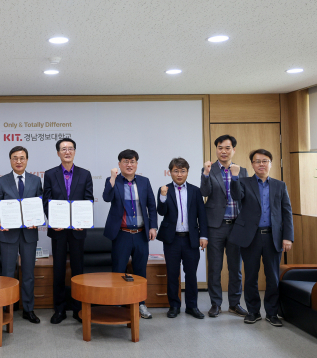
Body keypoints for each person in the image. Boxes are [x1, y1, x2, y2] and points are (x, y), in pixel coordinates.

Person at [229, 149, 294, 326]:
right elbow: (236, 196)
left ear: (270, 163)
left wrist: (288, 237)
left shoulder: (280, 185)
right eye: (257, 161)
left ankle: (272, 313)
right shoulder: (243, 182)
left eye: (265, 161)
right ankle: (253, 311)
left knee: (272, 277)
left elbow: (286, 212)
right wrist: (234, 177)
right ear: (252, 164)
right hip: (251, 237)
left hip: (273, 237)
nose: (261, 164)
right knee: (250, 276)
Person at [43, 138, 94, 324]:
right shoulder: (49, 174)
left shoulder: (85, 174)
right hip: (58, 230)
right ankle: (59, 309)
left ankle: (78, 308)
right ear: (58, 153)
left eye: (70, 149)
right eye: (63, 149)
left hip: (78, 230)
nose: (67, 152)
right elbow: (46, 201)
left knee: (78, 270)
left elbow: (88, 200)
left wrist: (83, 220)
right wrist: (53, 220)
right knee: (58, 270)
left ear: (74, 152)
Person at [103, 149, 158, 319]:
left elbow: (151, 206)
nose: (129, 164)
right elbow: (106, 197)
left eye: (132, 161)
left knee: (140, 272)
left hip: (141, 234)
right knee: (118, 271)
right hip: (122, 234)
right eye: (125, 161)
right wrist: (112, 178)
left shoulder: (144, 181)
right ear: (119, 164)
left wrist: (153, 227)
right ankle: (117, 304)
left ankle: (141, 304)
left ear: (136, 164)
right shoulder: (113, 181)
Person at [200, 135, 248, 318]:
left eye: (227, 148)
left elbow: (240, 196)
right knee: (215, 267)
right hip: (216, 226)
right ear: (216, 150)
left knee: (235, 268)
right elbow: (204, 192)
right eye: (220, 148)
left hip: (237, 226)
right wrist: (205, 174)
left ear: (233, 150)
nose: (223, 151)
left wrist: (235, 178)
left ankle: (235, 304)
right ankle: (216, 304)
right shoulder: (209, 170)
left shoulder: (241, 171)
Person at [0, 146, 44, 324]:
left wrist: (38, 218)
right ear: (10, 160)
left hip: (29, 234)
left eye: (22, 158)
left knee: (28, 273)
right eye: (15, 158)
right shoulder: (1, 181)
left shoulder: (36, 180)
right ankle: (7, 308)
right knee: (8, 273)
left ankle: (28, 309)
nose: (18, 161)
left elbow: (41, 204)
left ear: (27, 160)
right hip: (9, 234)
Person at [157, 157, 208, 319]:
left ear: (187, 172)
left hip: (191, 238)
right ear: (170, 172)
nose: (179, 174)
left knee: (191, 274)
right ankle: (174, 305)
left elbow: (202, 216)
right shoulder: (164, 189)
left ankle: (192, 306)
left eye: (182, 171)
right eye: (176, 171)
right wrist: (163, 197)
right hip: (171, 239)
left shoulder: (195, 191)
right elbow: (161, 212)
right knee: (172, 273)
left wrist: (204, 236)